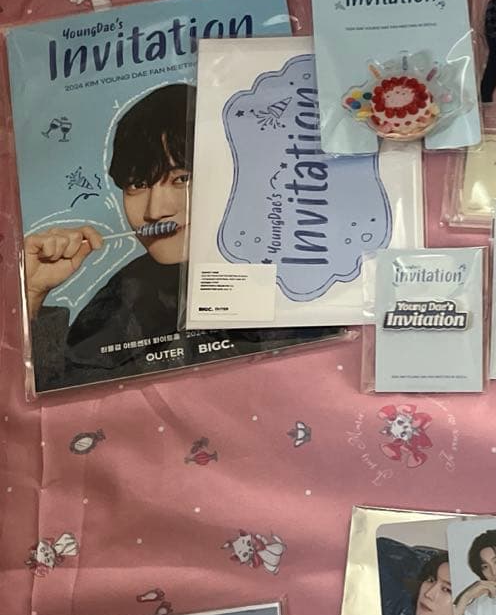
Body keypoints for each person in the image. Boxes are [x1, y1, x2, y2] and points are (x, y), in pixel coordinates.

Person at [23, 85, 334, 389]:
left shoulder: (303, 267)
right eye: (138, 185)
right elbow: (58, 392)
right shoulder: (130, 288)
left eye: (181, 179)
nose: (155, 210)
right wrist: (33, 295)